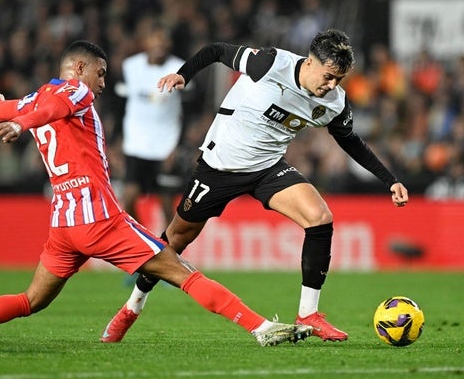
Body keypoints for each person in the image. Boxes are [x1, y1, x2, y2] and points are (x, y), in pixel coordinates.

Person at [0, 40, 312, 347]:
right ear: (79, 68)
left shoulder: (34, 96)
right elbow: (46, 113)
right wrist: (20, 125)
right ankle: (261, 328)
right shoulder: (75, 92)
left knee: (31, 300)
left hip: (63, 224)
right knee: (183, 273)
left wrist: (0, 108)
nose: (102, 84)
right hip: (99, 218)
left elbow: (12, 110)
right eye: (100, 74)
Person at [100, 29, 409, 343]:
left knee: (320, 217)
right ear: (310, 62)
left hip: (267, 168)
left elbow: (351, 142)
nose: (332, 85)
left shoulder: (334, 102)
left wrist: (390, 180)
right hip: (219, 166)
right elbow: (217, 49)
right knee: (174, 241)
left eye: (339, 80)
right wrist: (184, 75)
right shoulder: (271, 63)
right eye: (329, 76)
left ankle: (309, 315)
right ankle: (131, 308)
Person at [118, 19, 186, 228]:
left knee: (166, 204)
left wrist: (178, 146)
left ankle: (171, 251)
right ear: (145, 42)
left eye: (162, 42)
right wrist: (115, 140)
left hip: (166, 145)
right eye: (154, 41)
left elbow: (189, 109)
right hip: (136, 145)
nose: (158, 46)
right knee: (128, 199)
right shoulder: (129, 67)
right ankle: (145, 242)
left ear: (168, 44)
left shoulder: (178, 68)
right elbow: (118, 103)